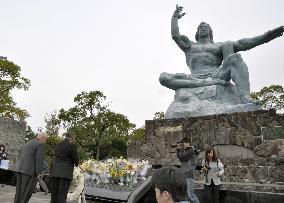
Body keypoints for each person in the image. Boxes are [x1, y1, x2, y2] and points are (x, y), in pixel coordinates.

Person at [160, 5, 284, 104]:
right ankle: (204, 84)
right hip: (194, 78)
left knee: (235, 57)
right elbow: (175, 35)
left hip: (216, 75)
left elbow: (243, 43)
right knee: (164, 78)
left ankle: (245, 97)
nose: (203, 28)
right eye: (200, 27)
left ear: (210, 31)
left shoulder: (219, 46)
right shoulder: (190, 46)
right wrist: (175, 17)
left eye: (206, 27)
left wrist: (265, 37)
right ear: (197, 32)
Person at [14, 132, 48, 203]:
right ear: (43, 138)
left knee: (19, 192)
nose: (45, 141)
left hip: (20, 169)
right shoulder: (40, 144)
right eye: (46, 139)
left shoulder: (28, 142)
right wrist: (39, 172)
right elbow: (39, 158)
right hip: (29, 172)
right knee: (26, 192)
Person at [50, 131, 79, 203]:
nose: (74, 140)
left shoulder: (58, 144)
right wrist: (77, 163)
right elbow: (75, 159)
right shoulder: (71, 145)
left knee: (54, 195)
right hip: (65, 173)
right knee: (62, 195)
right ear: (72, 137)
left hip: (55, 172)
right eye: (74, 138)